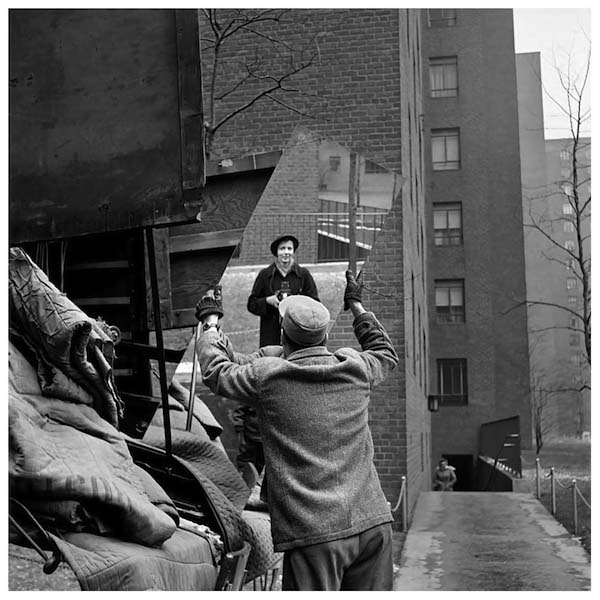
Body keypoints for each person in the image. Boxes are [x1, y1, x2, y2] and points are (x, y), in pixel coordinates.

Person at [195, 270, 399, 591]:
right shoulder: (355, 368)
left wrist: (210, 324)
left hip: (316, 536)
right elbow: (384, 351)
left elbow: (217, 370)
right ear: (325, 337)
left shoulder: (269, 378)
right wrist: (356, 305)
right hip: (373, 525)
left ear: (282, 335)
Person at [236, 234, 319, 484]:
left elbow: (315, 303)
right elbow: (251, 304)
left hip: (297, 340)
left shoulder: (303, 276)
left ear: (294, 252)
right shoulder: (265, 275)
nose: (286, 253)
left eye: (289, 249)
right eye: (282, 249)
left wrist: (294, 303)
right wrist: (269, 302)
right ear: (276, 253)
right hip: (271, 336)